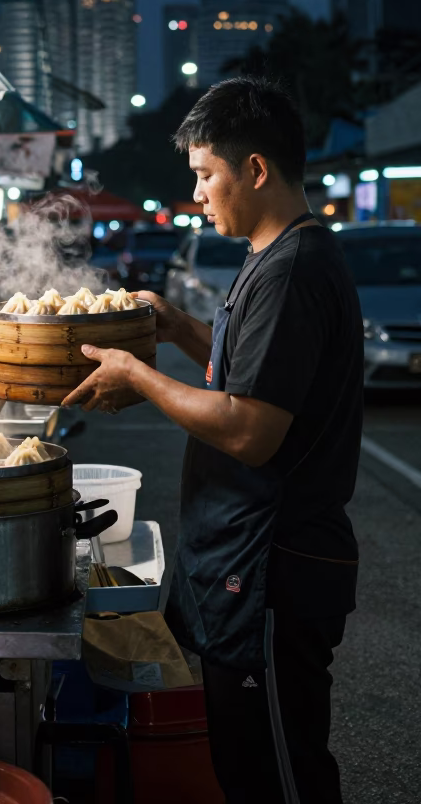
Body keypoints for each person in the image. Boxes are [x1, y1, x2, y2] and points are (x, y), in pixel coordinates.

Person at [63, 77, 363, 804]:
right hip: (247, 563)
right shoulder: (275, 255)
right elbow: (250, 378)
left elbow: (251, 429)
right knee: (244, 762)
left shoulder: (291, 269)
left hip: (272, 569)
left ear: (254, 170)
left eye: (205, 174)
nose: (196, 193)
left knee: (278, 776)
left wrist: (137, 374)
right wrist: (177, 328)